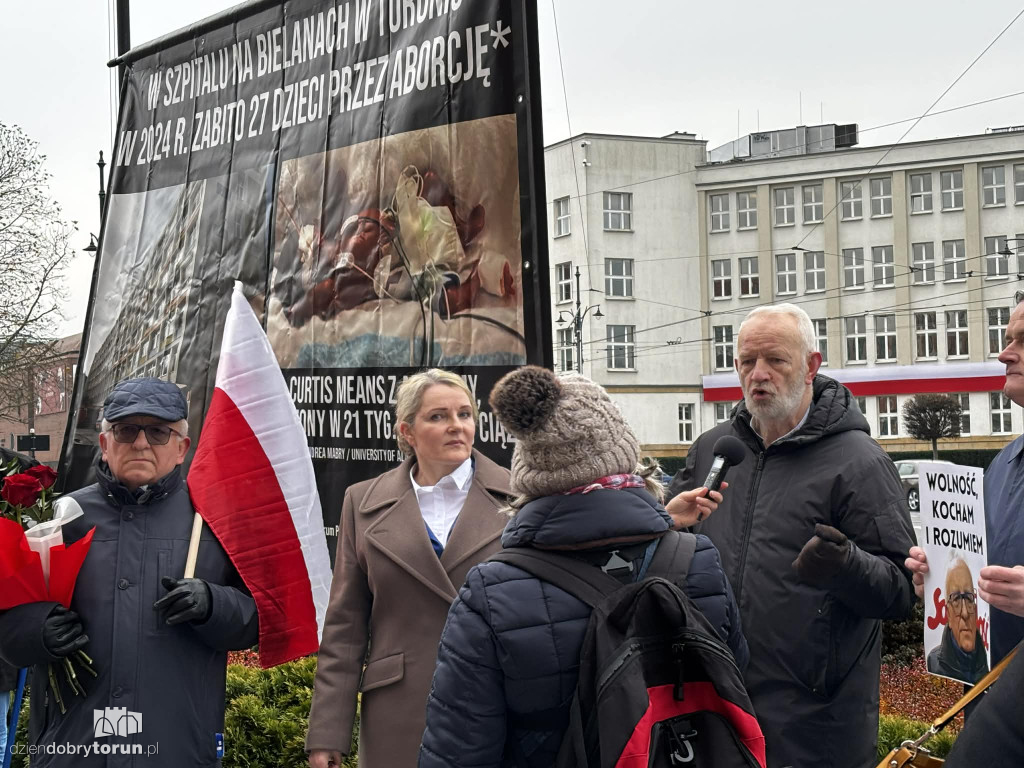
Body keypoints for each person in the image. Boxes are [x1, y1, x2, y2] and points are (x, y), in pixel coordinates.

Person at [419, 366, 747, 768]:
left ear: (532, 471)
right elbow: (736, 682)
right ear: (622, 453)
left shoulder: (491, 593)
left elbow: (459, 750)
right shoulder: (698, 561)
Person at [667, 303, 915, 768]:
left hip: (813, 727)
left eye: (775, 360)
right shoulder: (713, 450)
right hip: (713, 708)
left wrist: (845, 566)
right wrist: (664, 523)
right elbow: (670, 554)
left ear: (810, 367)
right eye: (746, 361)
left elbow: (900, 593)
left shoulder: (859, 462)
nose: (758, 374)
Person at [0, 376, 259, 767]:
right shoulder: (59, 518)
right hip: (73, 746)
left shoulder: (213, 522)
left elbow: (257, 619)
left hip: (176, 747)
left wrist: (214, 604)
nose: (141, 443)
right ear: (105, 444)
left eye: (157, 431)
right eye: (126, 430)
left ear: (181, 448)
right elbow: (7, 628)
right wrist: (35, 630)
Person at [306, 369, 511, 768]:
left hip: (497, 700)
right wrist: (327, 734)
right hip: (398, 708)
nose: (457, 426)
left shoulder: (519, 496)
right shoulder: (362, 502)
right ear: (407, 431)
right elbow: (345, 627)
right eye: (438, 416)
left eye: (465, 414)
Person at [907, 294, 1024, 667]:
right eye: (1007, 340)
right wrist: (943, 580)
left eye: (1023, 341)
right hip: (996, 706)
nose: (1004, 354)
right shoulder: (1003, 466)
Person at [926, 556, 989, 683]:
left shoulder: (989, 661)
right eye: (956, 600)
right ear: (948, 613)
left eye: (968, 598)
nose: (965, 613)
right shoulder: (934, 661)